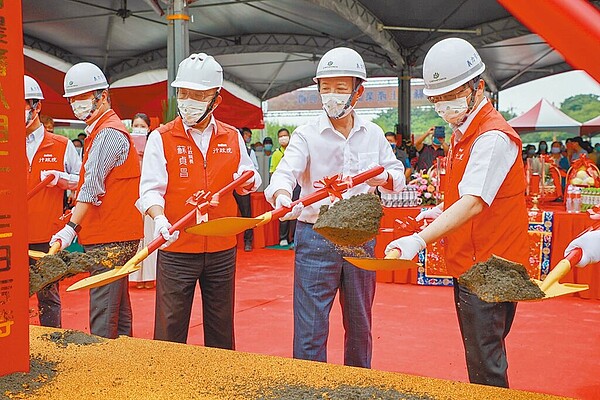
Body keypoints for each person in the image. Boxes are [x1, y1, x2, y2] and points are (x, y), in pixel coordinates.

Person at [386, 38, 529, 388]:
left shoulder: (491, 137)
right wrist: (439, 211)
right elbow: (464, 194)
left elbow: (475, 202)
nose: (444, 105)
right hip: (473, 262)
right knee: (480, 356)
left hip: (491, 267)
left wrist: (418, 241)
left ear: (478, 86)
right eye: (437, 99)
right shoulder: (462, 133)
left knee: (485, 364)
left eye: (452, 95)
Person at [265, 47, 405, 368]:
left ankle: (358, 384)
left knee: (359, 324)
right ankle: (310, 386)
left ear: (359, 92)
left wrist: (381, 175)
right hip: (316, 236)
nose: (331, 96)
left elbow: (397, 178)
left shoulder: (373, 134)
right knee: (310, 328)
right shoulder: (306, 134)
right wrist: (283, 195)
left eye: (341, 89)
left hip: (360, 239)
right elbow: (285, 172)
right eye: (325, 88)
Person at [138, 53, 260, 347]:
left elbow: (248, 180)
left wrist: (249, 179)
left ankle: (220, 383)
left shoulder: (231, 137)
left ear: (215, 100)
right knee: (170, 326)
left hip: (221, 247)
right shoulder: (161, 137)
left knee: (221, 325)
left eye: (198, 95)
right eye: (183, 93)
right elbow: (150, 190)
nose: (187, 101)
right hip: (177, 245)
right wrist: (160, 219)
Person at [50, 62, 143, 339]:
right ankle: (122, 358)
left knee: (103, 308)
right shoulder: (100, 131)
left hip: (110, 236)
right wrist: (66, 179)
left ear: (102, 96)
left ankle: (101, 369)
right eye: (73, 100)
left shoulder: (107, 134)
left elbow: (91, 188)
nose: (77, 105)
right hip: (116, 232)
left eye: (83, 98)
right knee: (118, 307)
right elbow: (93, 179)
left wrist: (71, 229)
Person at [25, 75, 81, 328]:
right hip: (10, 236)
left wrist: (62, 179)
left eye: (23, 105)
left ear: (37, 106)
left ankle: (53, 346)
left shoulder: (61, 144)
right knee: (9, 298)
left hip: (47, 236)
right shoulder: (5, 145)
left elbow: (83, 181)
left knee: (48, 297)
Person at [129, 112, 156, 289]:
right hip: (131, 193)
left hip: (148, 193)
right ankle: (136, 275)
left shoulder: (154, 144)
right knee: (135, 236)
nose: (139, 129)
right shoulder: (126, 143)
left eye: (142, 126)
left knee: (149, 233)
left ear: (148, 128)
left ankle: (150, 275)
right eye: (136, 125)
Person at [270, 128, 300, 247]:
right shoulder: (277, 154)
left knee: (295, 211)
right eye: (280, 136)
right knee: (283, 210)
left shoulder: (295, 151)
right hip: (282, 186)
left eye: (285, 136)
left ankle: (293, 237)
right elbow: (273, 171)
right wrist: (277, 188)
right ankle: (283, 237)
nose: (283, 138)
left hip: (297, 186)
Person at [235, 127, 259, 251]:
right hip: (227, 188)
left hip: (242, 187)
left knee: (246, 214)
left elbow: (255, 169)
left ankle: (248, 241)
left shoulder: (250, 152)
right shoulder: (226, 150)